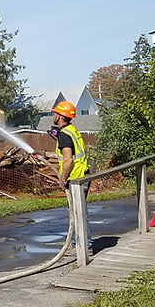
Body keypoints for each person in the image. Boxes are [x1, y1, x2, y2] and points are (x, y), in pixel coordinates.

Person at [47, 101, 92, 253]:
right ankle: (75, 243)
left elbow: (68, 160)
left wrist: (63, 179)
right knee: (77, 212)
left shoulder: (64, 135)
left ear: (60, 116)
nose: (53, 115)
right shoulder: (71, 130)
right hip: (82, 175)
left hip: (75, 179)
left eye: (55, 113)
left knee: (79, 213)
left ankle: (86, 247)